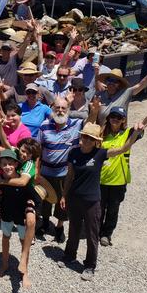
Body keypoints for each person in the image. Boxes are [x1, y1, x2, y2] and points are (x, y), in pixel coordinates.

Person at [58, 122, 144, 281]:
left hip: (92, 201)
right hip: (74, 198)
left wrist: (134, 134)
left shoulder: (100, 153)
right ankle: (69, 255)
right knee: (74, 230)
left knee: (92, 234)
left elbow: (123, 149)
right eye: (84, 137)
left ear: (96, 141)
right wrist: (64, 195)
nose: (86, 140)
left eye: (91, 138)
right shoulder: (74, 153)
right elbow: (69, 176)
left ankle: (90, 266)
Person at [37, 97, 99, 241]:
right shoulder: (44, 125)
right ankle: (45, 223)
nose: (60, 111)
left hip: (65, 172)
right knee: (45, 200)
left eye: (63, 108)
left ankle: (59, 227)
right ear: (52, 109)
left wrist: (94, 112)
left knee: (63, 202)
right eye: (57, 108)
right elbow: (38, 149)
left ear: (68, 110)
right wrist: (37, 171)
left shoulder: (76, 125)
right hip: (46, 172)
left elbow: (89, 123)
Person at [99, 102, 147, 246]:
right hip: (100, 179)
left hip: (118, 180)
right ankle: (97, 230)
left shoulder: (127, 134)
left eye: (119, 117)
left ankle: (107, 234)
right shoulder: (102, 135)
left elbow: (143, 124)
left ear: (123, 120)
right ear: (108, 118)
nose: (115, 119)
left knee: (113, 209)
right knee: (99, 208)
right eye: (113, 116)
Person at [0, 149, 40, 288]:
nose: (7, 167)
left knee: (24, 242)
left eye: (11, 163)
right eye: (4, 164)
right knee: (5, 238)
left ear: (17, 165)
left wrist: (32, 210)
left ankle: (25, 273)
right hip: (6, 214)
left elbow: (36, 199)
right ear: (0, 165)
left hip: (21, 217)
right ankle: (4, 265)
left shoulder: (22, 181)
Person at [96, 58, 147, 123]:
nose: (111, 83)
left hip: (118, 133)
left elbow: (141, 85)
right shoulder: (100, 95)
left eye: (115, 81)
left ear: (119, 84)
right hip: (100, 132)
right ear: (106, 81)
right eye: (110, 80)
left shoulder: (124, 94)